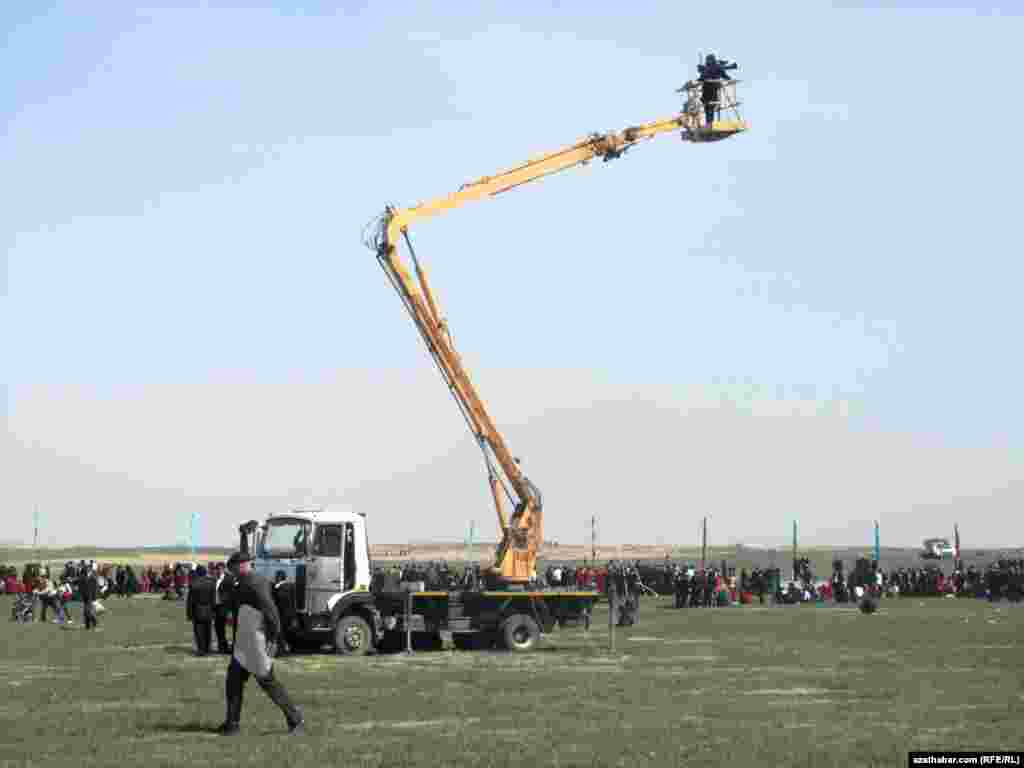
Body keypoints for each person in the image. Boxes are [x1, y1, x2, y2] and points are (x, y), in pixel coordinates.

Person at [217, 551, 303, 736]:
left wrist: (273, 639)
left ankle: (295, 719)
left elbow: (271, 612)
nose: (230, 571)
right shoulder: (243, 582)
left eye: (233, 567)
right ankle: (232, 724)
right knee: (233, 682)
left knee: (268, 683)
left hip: (257, 642)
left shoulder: (256, 583)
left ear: (242, 565)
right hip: (243, 642)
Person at [697, 53, 738, 128]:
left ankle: (709, 124)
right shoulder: (713, 67)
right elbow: (724, 75)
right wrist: (729, 79)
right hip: (710, 90)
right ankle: (709, 124)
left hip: (708, 90)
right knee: (710, 107)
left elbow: (702, 78)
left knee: (709, 107)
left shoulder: (709, 68)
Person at [187, 565, 216, 656]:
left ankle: (201, 649)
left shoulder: (193, 583)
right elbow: (213, 599)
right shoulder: (211, 583)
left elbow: (190, 601)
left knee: (199, 631)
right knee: (208, 630)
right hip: (209, 609)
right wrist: (214, 611)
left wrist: (189, 613)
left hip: (197, 609)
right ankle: (208, 648)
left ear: (197, 573)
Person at [213, 563, 232, 654]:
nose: (218, 571)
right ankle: (222, 647)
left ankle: (226, 647)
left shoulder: (229, 579)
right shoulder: (215, 579)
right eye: (217, 569)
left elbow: (231, 593)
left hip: (225, 607)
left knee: (225, 627)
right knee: (218, 627)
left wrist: (230, 609)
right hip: (216, 606)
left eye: (220, 569)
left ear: (224, 569)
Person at [81, 564, 100, 630]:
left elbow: (95, 589)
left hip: (90, 597)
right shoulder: (83, 578)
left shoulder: (93, 578)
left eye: (87, 570)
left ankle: (95, 623)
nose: (86, 571)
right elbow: (82, 588)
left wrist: (95, 598)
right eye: (86, 570)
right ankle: (87, 626)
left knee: (88, 612)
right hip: (85, 597)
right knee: (86, 612)